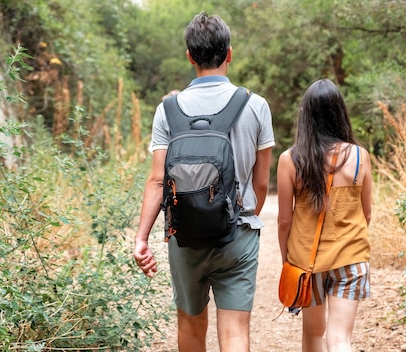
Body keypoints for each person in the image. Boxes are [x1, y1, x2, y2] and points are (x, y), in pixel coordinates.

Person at [133, 12, 274, 352]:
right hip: (237, 235)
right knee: (236, 331)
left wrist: (141, 238)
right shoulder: (256, 106)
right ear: (229, 53)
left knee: (191, 325)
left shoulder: (167, 109)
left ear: (189, 56)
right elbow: (261, 183)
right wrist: (242, 217)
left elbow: (156, 181)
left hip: (184, 237)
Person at [276, 78, 372, 352]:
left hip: (308, 261)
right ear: (340, 113)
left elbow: (285, 221)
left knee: (313, 334)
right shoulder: (359, 156)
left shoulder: (290, 159)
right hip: (351, 258)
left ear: (305, 115)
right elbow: (366, 213)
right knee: (340, 339)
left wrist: (287, 260)